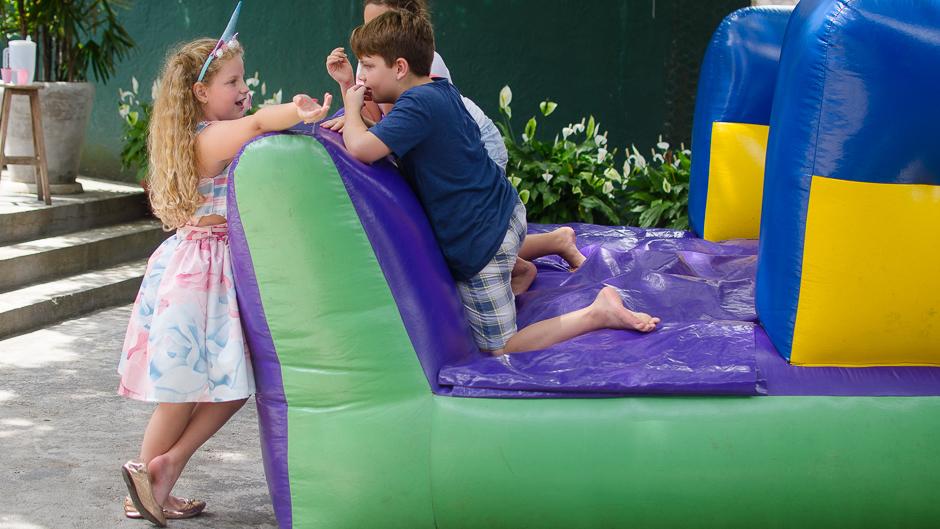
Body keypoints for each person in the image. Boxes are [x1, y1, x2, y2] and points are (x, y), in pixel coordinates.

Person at [116, 5, 331, 526]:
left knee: (230, 384)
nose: (244, 88)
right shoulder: (211, 136)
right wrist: (298, 110)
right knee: (180, 393)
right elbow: (260, 124)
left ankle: (160, 474)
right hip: (200, 274)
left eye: (243, 78)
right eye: (232, 80)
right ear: (200, 93)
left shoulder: (213, 132)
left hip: (209, 268)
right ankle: (143, 485)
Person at [340, 9, 658, 356]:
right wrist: (353, 97)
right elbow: (387, 138)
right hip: (507, 213)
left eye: (367, 66)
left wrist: (350, 106)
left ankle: (597, 313)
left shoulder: (416, 107)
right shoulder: (437, 90)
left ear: (399, 68)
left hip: (482, 244)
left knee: (502, 349)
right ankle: (518, 273)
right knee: (503, 268)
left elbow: (360, 148)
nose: (361, 77)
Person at [322, 0, 585, 296]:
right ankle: (524, 265)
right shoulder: (378, 60)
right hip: (444, 149)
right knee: (468, 222)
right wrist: (348, 86)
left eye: (378, 24)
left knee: (466, 220)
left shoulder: (422, 73)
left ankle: (547, 250)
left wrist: (352, 110)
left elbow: (375, 136)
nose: (371, 33)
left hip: (474, 142)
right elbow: (376, 121)